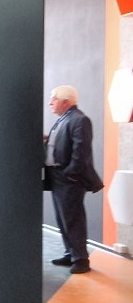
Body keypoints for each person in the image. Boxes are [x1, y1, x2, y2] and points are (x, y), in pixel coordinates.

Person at [44, 85, 103, 274]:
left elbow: (81, 151)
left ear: (65, 102)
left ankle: (81, 260)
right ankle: (70, 253)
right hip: (57, 177)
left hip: (68, 178)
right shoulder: (63, 119)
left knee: (73, 219)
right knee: (62, 218)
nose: (50, 103)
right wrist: (47, 140)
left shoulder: (79, 120)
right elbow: (62, 144)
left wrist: (70, 173)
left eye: (53, 99)